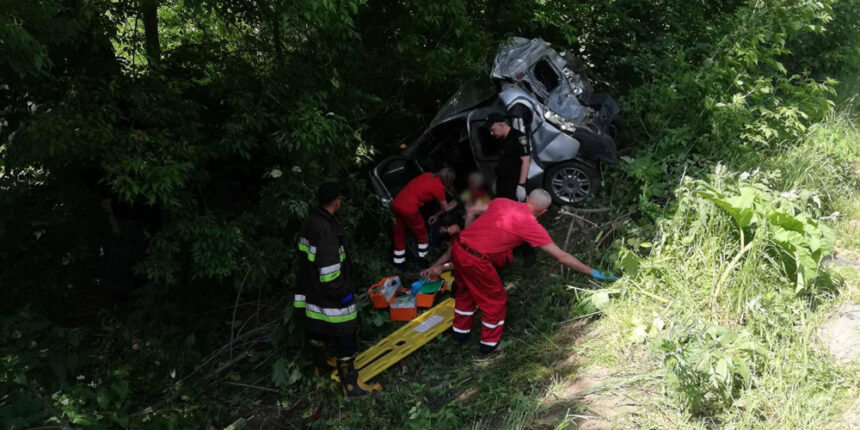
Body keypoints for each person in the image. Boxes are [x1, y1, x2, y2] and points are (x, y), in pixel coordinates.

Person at [423, 190, 617, 354]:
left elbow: (472, 209)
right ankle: (489, 345)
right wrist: (592, 271)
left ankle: (459, 334)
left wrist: (470, 234)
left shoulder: (501, 202)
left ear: (527, 199)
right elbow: (561, 256)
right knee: (494, 299)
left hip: (459, 248)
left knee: (466, 291)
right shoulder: (531, 226)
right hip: (476, 260)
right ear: (544, 211)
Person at [294, 181, 382, 397]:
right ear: (337, 201)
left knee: (317, 330)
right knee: (345, 335)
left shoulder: (311, 222)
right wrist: (343, 293)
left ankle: (321, 368)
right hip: (331, 296)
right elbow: (329, 272)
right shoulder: (326, 230)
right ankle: (352, 385)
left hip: (312, 293)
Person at [391, 168, 457, 270]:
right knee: (421, 233)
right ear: (448, 180)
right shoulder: (438, 188)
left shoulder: (428, 174)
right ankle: (424, 259)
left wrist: (435, 215)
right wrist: (457, 201)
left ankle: (399, 264)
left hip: (396, 203)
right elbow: (446, 208)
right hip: (409, 208)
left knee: (398, 233)